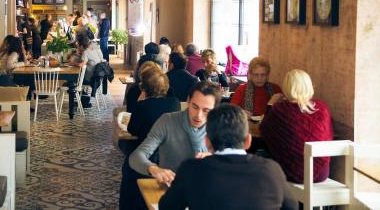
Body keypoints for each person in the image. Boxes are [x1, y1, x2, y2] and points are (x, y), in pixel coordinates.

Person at [159, 104, 298, 210]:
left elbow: (167, 207)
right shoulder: (271, 170)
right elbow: (292, 206)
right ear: (248, 141)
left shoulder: (191, 169)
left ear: (207, 142)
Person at [129, 81, 219, 187]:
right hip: (171, 191)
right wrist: (153, 169)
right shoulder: (167, 121)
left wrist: (215, 160)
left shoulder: (219, 127)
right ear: (188, 101)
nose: (198, 115)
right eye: (195, 107)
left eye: (206, 111)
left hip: (207, 190)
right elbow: (136, 156)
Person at [119, 65, 180, 210]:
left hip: (148, 157)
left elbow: (132, 129)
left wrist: (140, 103)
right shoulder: (175, 103)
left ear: (144, 88)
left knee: (129, 159)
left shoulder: (143, 106)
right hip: (170, 156)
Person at [260, 69, 333, 183]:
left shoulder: (281, 109)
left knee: (262, 156)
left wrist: (270, 104)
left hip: (291, 171)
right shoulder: (322, 108)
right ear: (309, 86)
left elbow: (264, 130)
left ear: (287, 88)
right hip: (321, 173)